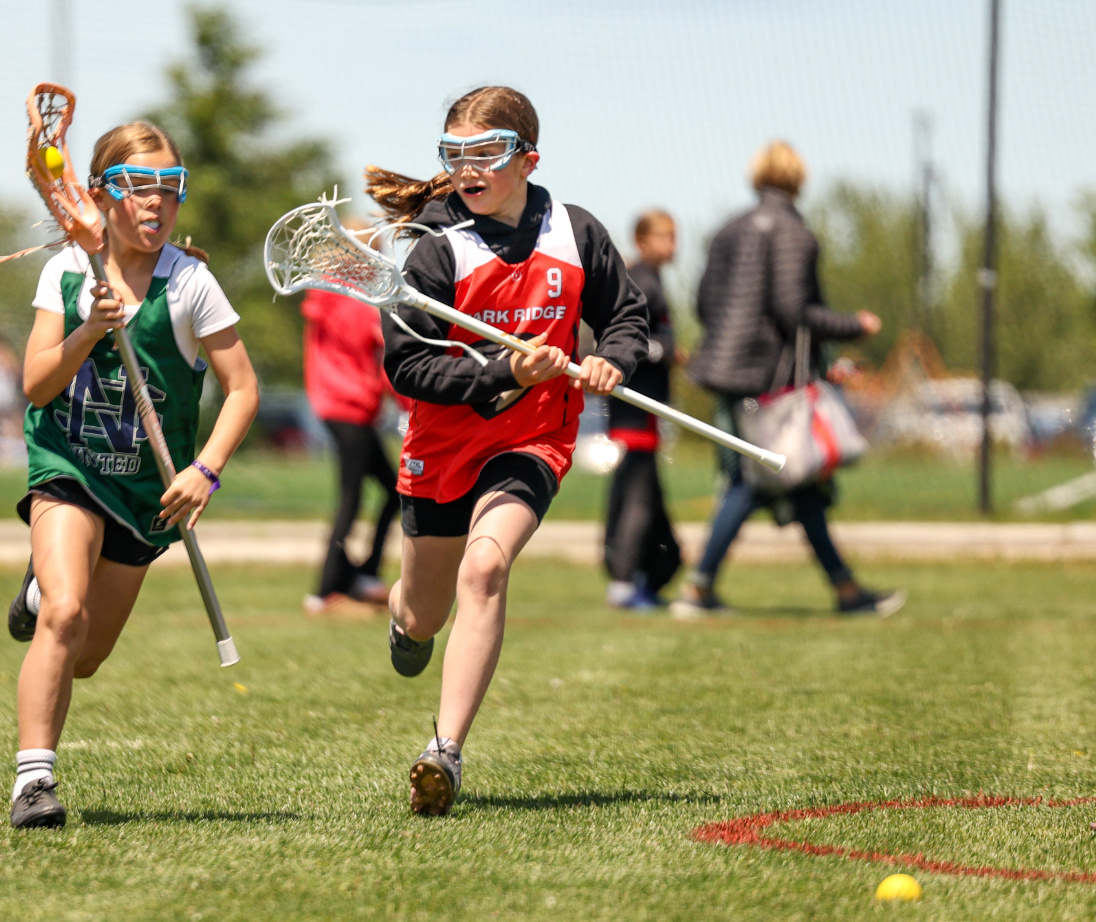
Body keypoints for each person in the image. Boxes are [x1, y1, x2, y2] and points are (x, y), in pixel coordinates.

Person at [368, 86, 648, 816]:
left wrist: (613, 357)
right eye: (454, 154)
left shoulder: (575, 233)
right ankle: (403, 615)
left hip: (533, 438)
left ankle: (444, 752)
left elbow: (625, 315)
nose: (469, 168)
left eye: (486, 153)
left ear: (528, 159)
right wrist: (504, 373)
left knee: (486, 567)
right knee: (424, 613)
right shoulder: (435, 251)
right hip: (442, 446)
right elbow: (406, 367)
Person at [3, 121, 259, 830]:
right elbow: (36, 386)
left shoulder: (191, 283)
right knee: (65, 613)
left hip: (145, 492)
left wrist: (206, 470)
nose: (156, 202)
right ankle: (34, 781)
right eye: (138, 186)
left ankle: (38, 589)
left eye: (170, 188)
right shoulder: (66, 273)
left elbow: (243, 389)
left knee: (83, 657)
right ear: (98, 196)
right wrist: (88, 329)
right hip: (68, 466)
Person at [673, 140, 903, 620]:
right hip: (769, 381)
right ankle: (697, 590)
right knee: (757, 481)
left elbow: (703, 303)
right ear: (799, 179)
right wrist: (854, 326)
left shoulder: (727, 229)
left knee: (790, 481)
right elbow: (794, 310)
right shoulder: (795, 232)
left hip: (725, 375)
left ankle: (845, 590)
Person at [301, 247, 399, 615]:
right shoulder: (359, 305)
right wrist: (410, 403)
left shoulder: (324, 301)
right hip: (353, 408)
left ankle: (358, 577)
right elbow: (389, 357)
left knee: (385, 491)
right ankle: (327, 591)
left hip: (331, 405)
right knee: (354, 498)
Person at [603, 210, 683, 610]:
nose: (672, 244)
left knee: (644, 495)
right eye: (663, 236)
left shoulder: (650, 278)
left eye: (674, 236)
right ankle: (622, 581)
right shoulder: (640, 281)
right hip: (635, 408)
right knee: (637, 498)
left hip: (645, 409)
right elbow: (622, 339)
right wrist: (667, 351)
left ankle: (654, 574)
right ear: (641, 241)